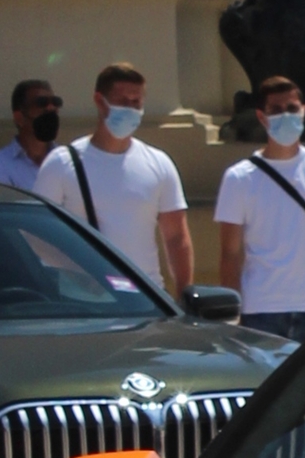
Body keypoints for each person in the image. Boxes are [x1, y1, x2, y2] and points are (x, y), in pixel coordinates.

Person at [214, 75, 305, 341]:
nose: (285, 116)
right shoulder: (238, 178)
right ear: (262, 117)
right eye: (276, 110)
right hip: (258, 311)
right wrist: (234, 317)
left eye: (291, 109)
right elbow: (230, 254)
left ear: (303, 111)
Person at [35, 62, 193, 292]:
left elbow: (176, 237)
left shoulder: (159, 163)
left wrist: (186, 294)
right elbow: (38, 236)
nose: (130, 109)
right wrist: (79, 275)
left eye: (136, 102)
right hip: (85, 304)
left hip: (147, 298)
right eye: (122, 101)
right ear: (100, 102)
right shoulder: (61, 164)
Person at [0, 79, 64, 193]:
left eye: (55, 102)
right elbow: (8, 209)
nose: (50, 108)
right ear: (19, 118)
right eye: (41, 103)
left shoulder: (70, 161)